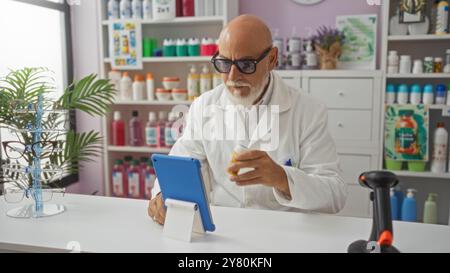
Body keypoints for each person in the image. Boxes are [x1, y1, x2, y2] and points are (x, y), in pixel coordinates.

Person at [148, 15, 347, 225]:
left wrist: (282, 178)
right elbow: (179, 165)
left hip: (283, 230)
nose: (233, 75)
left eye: (245, 64)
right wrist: (162, 196)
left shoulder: (308, 111)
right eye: (224, 63)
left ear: (272, 59)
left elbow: (335, 194)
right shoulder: (204, 106)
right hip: (225, 227)